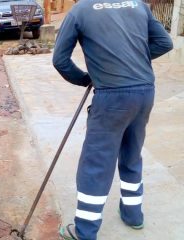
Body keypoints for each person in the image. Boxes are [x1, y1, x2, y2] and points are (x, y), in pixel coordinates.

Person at [52, 0, 173, 239]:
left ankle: (85, 232)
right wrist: (133, 58)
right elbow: (164, 42)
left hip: (112, 97)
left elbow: (60, 61)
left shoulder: (80, 10)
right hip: (145, 91)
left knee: (96, 163)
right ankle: (133, 215)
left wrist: (85, 78)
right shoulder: (138, 5)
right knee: (132, 152)